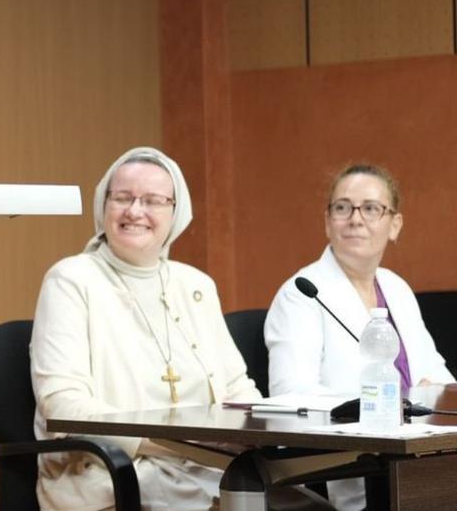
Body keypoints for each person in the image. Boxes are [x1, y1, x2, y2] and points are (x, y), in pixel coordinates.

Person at [31, 147, 261, 510]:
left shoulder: (195, 284)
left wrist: (259, 437)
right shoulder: (71, 280)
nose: (134, 211)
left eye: (152, 200)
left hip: (207, 467)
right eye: (122, 197)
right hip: (113, 474)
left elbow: (238, 387)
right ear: (103, 204)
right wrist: (177, 444)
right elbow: (64, 407)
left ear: (176, 212)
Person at [265, 163, 453, 509]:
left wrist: (432, 393)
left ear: (394, 224)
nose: (355, 218)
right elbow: (290, 395)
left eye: (370, 208)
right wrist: (372, 404)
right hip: (351, 463)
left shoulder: (397, 288)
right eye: (342, 207)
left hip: (416, 452)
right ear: (327, 221)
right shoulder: (302, 293)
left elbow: (436, 376)